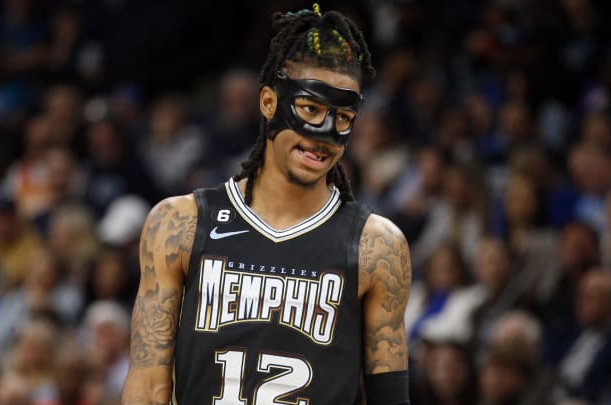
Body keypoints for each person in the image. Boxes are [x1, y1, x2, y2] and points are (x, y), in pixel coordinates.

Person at [122, 4, 411, 405]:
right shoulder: (180, 223)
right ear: (270, 103)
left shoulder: (377, 245)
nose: (324, 133)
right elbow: (147, 386)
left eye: (342, 117)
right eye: (310, 109)